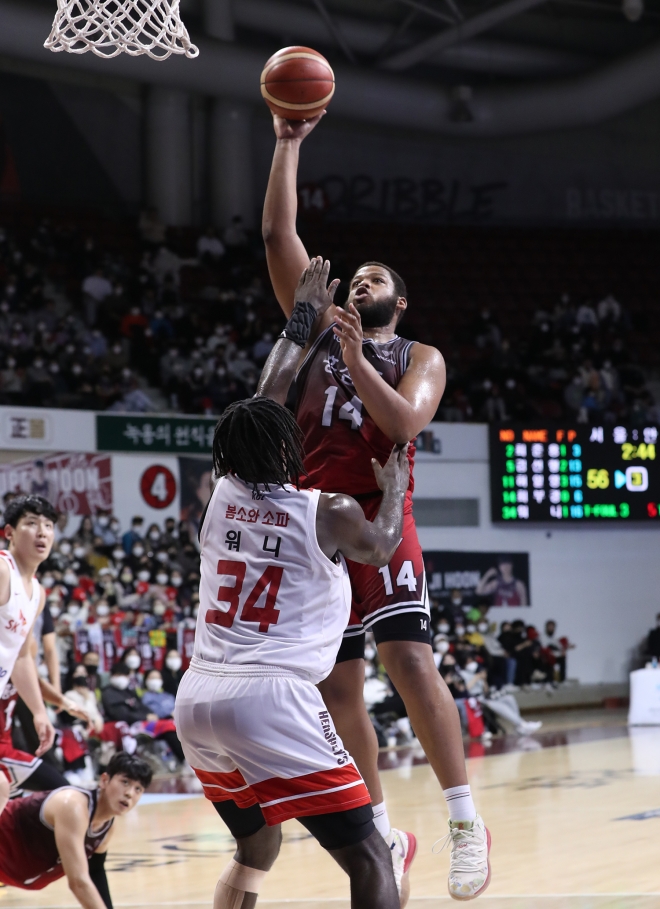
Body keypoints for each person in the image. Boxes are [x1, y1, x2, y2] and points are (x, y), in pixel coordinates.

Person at [263, 117, 491, 897]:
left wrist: (357, 355)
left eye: (375, 277)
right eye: (354, 278)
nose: (361, 282)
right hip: (313, 525)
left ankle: (465, 819)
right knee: (337, 688)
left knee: (410, 659)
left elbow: (402, 423)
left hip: (381, 516)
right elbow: (275, 233)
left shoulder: (417, 355)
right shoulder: (316, 338)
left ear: (401, 298)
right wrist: (288, 141)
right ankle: (386, 834)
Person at [174, 382, 412, 909]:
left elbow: (261, 400)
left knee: (256, 844)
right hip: (273, 695)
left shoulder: (221, 496)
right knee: (371, 854)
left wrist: (298, 326)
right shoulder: (329, 509)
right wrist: (395, 489)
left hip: (197, 696)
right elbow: (381, 548)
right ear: (287, 444)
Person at [0, 752, 152, 907]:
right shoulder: (73, 806)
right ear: (105, 780)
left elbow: (95, 872)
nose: (129, 793)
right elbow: (78, 883)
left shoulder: (108, 826)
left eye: (138, 789)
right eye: (125, 782)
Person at [0, 495, 61, 815]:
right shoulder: (2, 569)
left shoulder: (38, 593)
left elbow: (21, 657)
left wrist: (39, 712)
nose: (42, 532)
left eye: (49, 526)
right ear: (9, 532)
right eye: (32, 523)